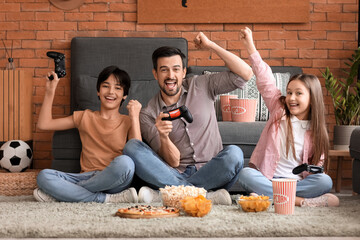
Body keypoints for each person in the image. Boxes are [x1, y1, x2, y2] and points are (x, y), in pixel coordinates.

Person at [123, 32, 254, 205]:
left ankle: (171, 195)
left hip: (212, 171)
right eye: (164, 70)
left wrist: (211, 46)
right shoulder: (148, 114)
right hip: (174, 173)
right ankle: (204, 196)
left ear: (184, 72)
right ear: (155, 74)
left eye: (176, 69)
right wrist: (163, 136)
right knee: (132, 147)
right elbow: (174, 161)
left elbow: (245, 74)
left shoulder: (202, 84)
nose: (171, 75)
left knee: (234, 154)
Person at [237, 27, 339, 207]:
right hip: (269, 178)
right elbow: (265, 79)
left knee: (325, 181)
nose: (291, 98)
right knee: (246, 175)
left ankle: (269, 197)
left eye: (298, 93)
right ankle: (299, 202)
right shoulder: (279, 109)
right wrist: (250, 46)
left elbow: (316, 169)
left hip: (297, 183)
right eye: (289, 92)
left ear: (312, 98)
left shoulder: (317, 131)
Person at [33, 65, 142, 203]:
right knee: (44, 176)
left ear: (124, 95)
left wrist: (135, 117)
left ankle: (66, 192)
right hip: (86, 177)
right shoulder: (84, 116)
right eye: (105, 86)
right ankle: (105, 199)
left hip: (115, 179)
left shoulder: (127, 121)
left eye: (118, 88)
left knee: (126, 163)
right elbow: (44, 124)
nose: (111, 92)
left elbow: (138, 155)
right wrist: (50, 91)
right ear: (98, 91)